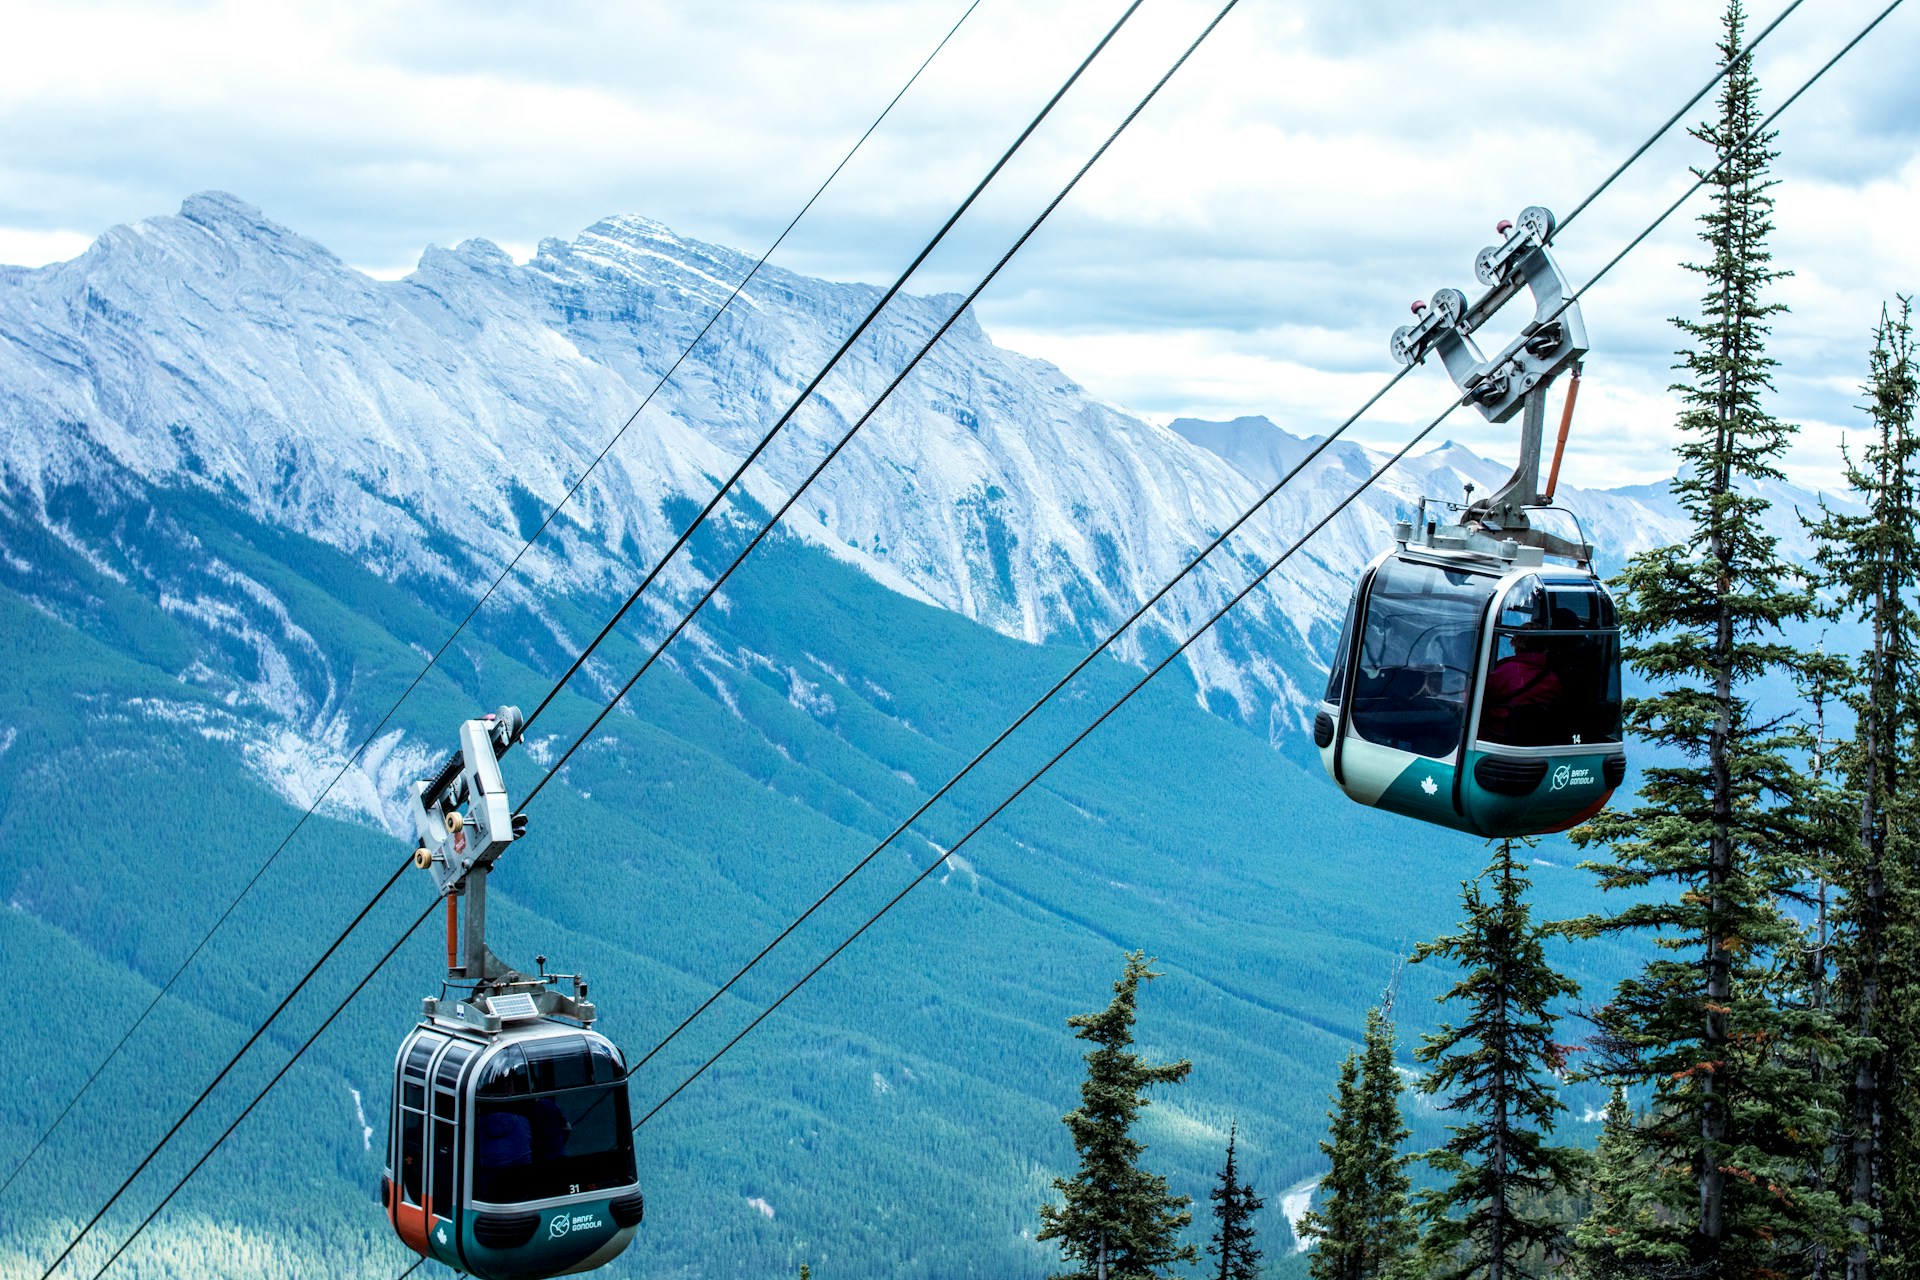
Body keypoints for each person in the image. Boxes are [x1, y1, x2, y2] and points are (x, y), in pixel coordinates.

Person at [1480, 633, 1563, 746]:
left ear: (1516, 645)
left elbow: (1481, 697)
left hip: (1498, 737)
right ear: (1544, 647)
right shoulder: (1552, 678)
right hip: (1538, 739)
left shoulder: (1503, 672)